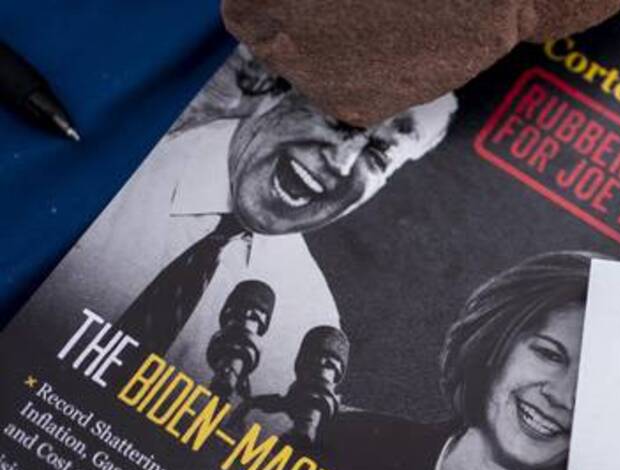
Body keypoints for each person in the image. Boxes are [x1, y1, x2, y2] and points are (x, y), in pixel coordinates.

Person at [41, 47, 456, 401]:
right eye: (344, 115)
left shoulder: (305, 327)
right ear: (285, 89)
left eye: (381, 153)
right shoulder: (129, 145)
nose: (342, 160)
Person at [329, 250, 594, 470]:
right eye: (548, 354)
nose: (561, 396)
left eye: (593, 382)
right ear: (494, 343)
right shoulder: (343, 441)